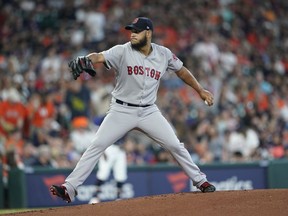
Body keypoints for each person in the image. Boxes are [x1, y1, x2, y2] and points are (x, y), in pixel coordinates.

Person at [50, 17, 216, 203]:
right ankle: (69, 187)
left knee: (175, 145)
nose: (133, 34)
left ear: (148, 33)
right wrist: (86, 59)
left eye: (137, 31)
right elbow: (98, 56)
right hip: (121, 110)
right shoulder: (122, 50)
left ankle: (200, 181)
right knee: (97, 145)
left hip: (149, 111)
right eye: (131, 31)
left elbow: (182, 70)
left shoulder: (163, 54)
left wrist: (200, 90)